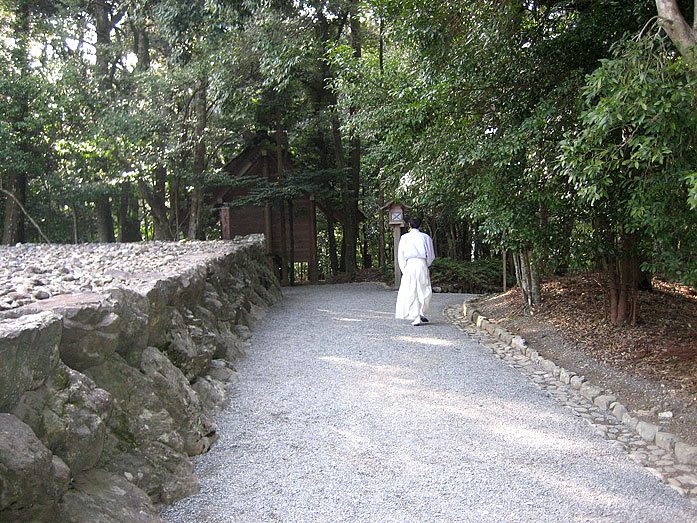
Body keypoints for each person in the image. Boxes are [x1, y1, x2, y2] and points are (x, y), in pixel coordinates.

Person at [395, 217, 435, 326]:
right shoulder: (425, 237)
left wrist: (404, 269)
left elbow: (401, 255)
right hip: (421, 263)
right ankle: (420, 313)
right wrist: (426, 264)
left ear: (409, 225)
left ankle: (416, 314)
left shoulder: (405, 238)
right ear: (420, 225)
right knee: (423, 289)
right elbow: (431, 254)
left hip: (409, 265)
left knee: (410, 289)